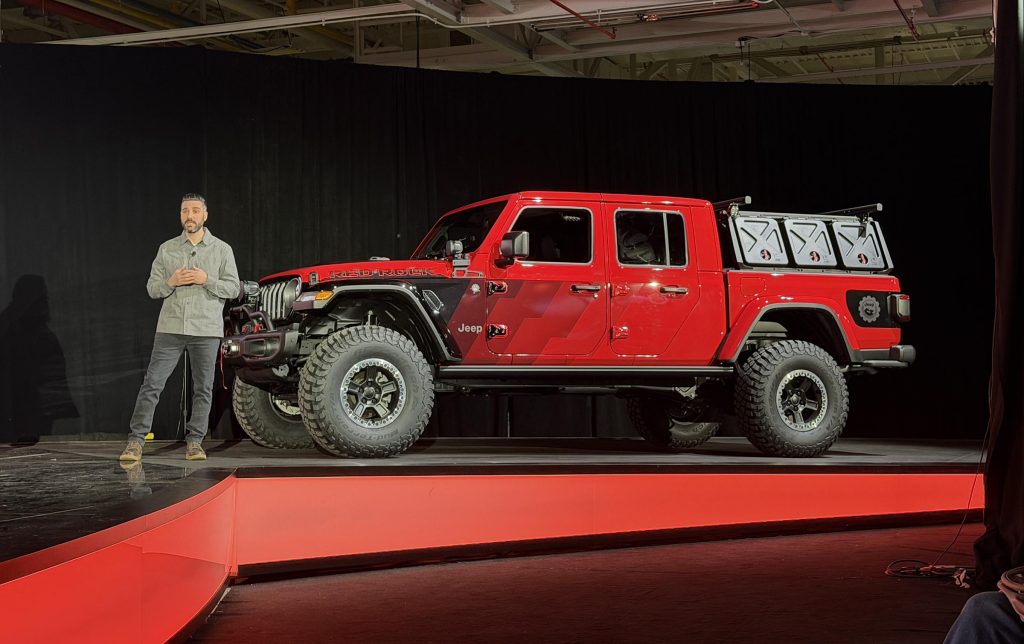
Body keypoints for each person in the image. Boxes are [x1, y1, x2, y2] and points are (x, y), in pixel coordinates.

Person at [119, 193, 239, 462]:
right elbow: (152, 288)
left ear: (205, 215)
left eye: (196, 211)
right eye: (185, 211)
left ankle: (195, 441)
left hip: (206, 329)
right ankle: (135, 442)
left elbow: (233, 288)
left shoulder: (222, 249)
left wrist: (206, 279)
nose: (190, 216)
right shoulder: (168, 249)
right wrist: (171, 281)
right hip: (171, 327)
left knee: (203, 388)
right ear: (180, 215)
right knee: (152, 384)